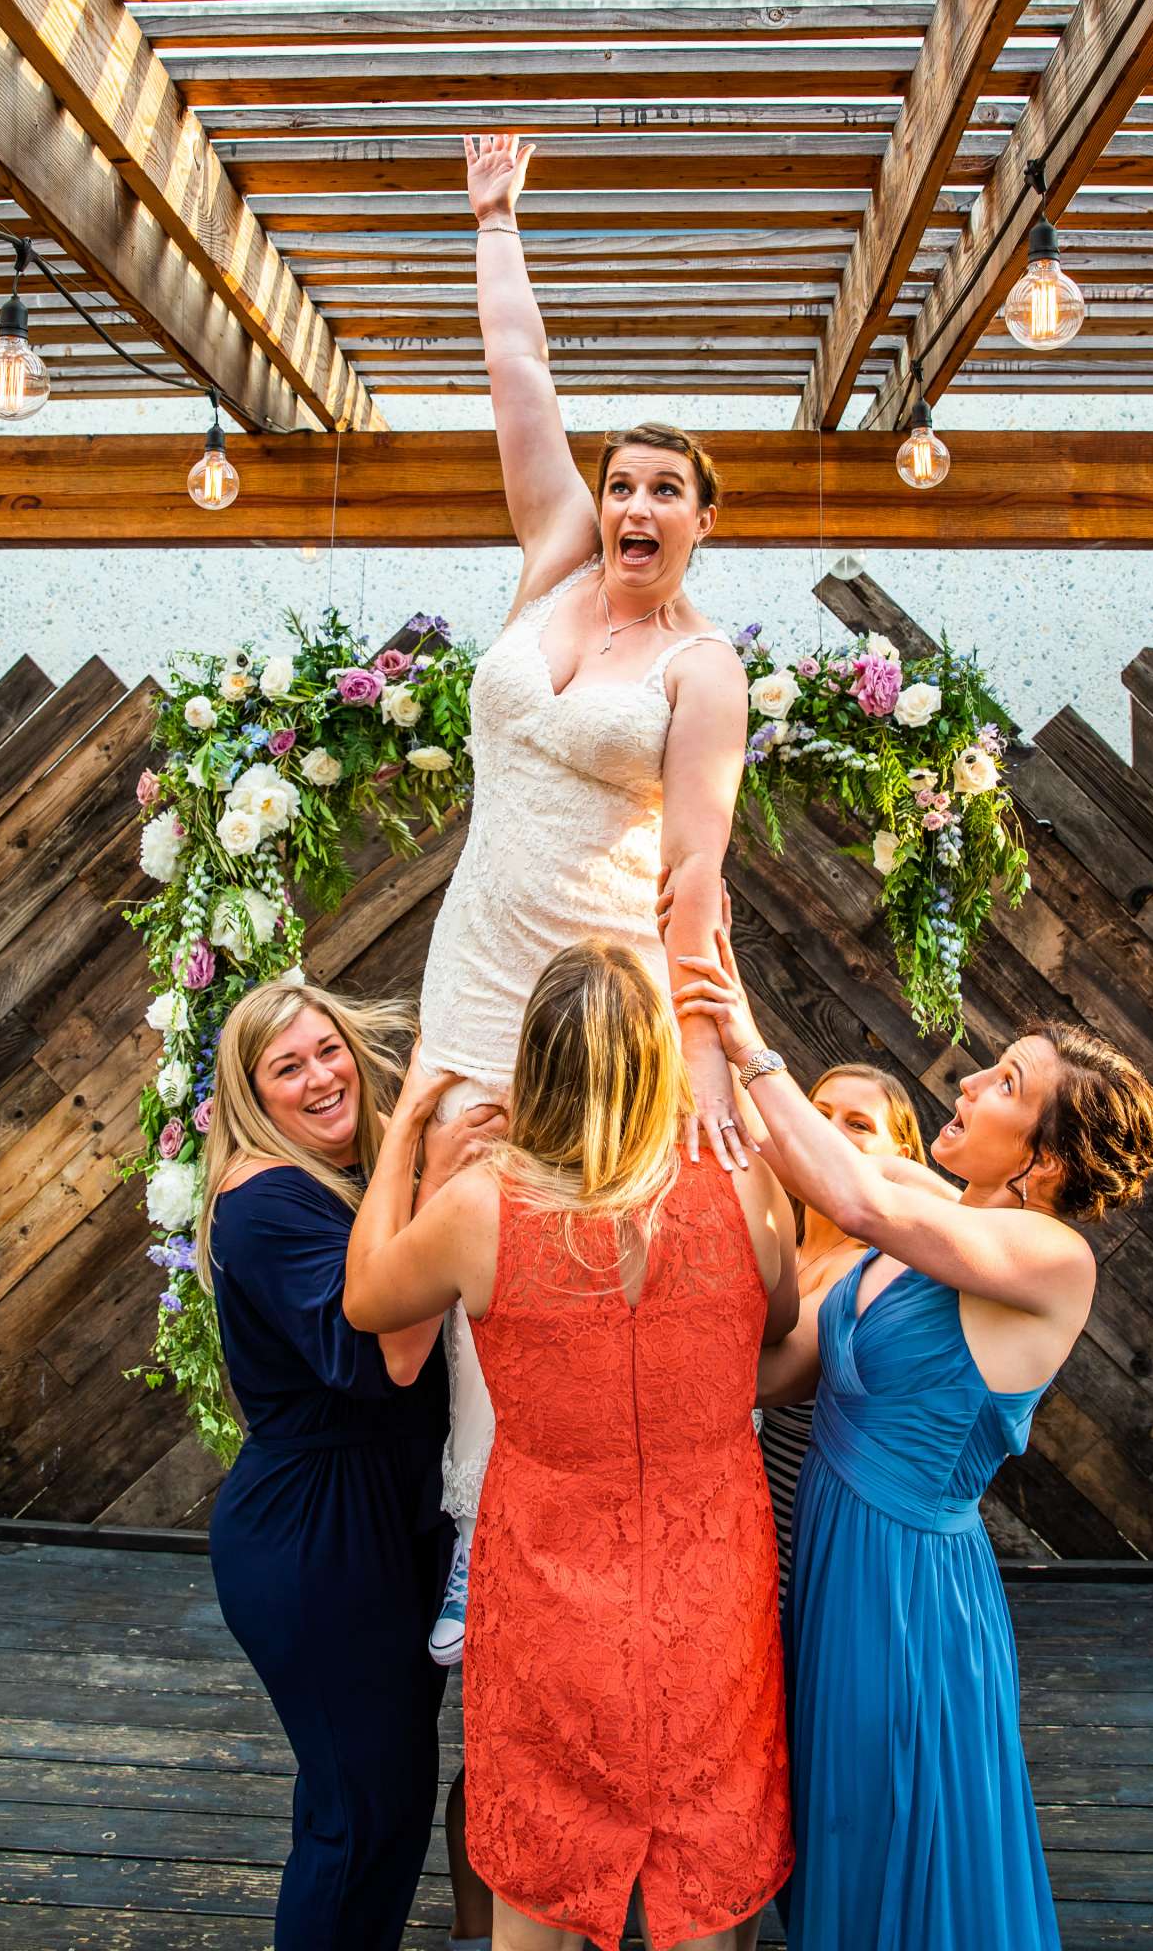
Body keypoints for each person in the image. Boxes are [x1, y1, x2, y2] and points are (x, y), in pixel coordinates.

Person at [417, 130, 751, 1666]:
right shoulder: (550, 559)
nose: (631, 501)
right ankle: (445, 1518)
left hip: (590, 993)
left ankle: (503, 1550)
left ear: (698, 521)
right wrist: (495, 223)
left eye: (663, 489)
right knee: (439, 1224)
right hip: (474, 958)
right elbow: (520, 385)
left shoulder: (702, 669)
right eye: (622, 479)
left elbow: (696, 871)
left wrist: (689, 1043)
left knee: (551, 1248)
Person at [674, 929, 1153, 1951]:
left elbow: (849, 1192)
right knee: (835, 1813)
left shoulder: (1050, 1258)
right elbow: (771, 1371)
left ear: (1049, 1159)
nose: (970, 1080)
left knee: (892, 1815)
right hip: (825, 1567)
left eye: (1005, 1083)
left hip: (905, 1594)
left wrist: (744, 1031)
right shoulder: (939, 1212)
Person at [344, 939, 799, 1951]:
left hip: (547, 1581)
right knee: (705, 1896)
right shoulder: (745, 1183)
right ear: (657, 1061)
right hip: (709, 1580)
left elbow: (368, 1296)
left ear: (533, 1063)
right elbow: (776, 1318)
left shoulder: (478, 1210)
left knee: (536, 1899)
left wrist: (410, 1125)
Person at [200, 976, 505, 1951]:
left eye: (327, 1050)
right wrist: (431, 1148)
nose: (321, 1076)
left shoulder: (350, 1173)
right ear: (253, 1094)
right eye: (287, 1067)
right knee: (364, 1814)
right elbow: (393, 1350)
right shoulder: (265, 1200)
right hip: (315, 1535)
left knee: (367, 1797)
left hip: (382, 1519)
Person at [758, 1063, 928, 1597]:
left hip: (802, 1544)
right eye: (819, 1114)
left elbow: (762, 1381)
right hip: (734, 1515)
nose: (830, 1133)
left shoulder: (871, 1271)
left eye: (858, 1125)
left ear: (901, 1157)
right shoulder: (772, 1238)